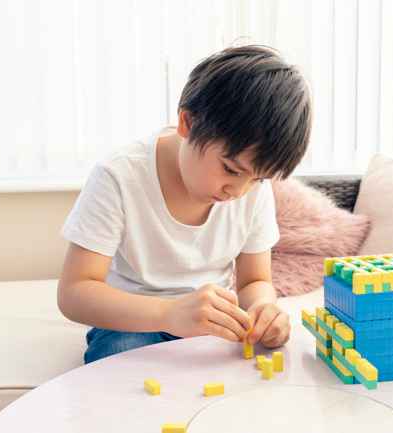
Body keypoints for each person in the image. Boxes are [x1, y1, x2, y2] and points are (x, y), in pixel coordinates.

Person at [57, 45, 313, 363]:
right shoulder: (119, 176)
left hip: (215, 321)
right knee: (119, 359)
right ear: (187, 124)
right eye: (231, 169)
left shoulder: (252, 190)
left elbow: (254, 281)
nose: (238, 191)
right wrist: (168, 314)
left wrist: (263, 308)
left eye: (258, 179)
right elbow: (75, 292)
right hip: (135, 320)